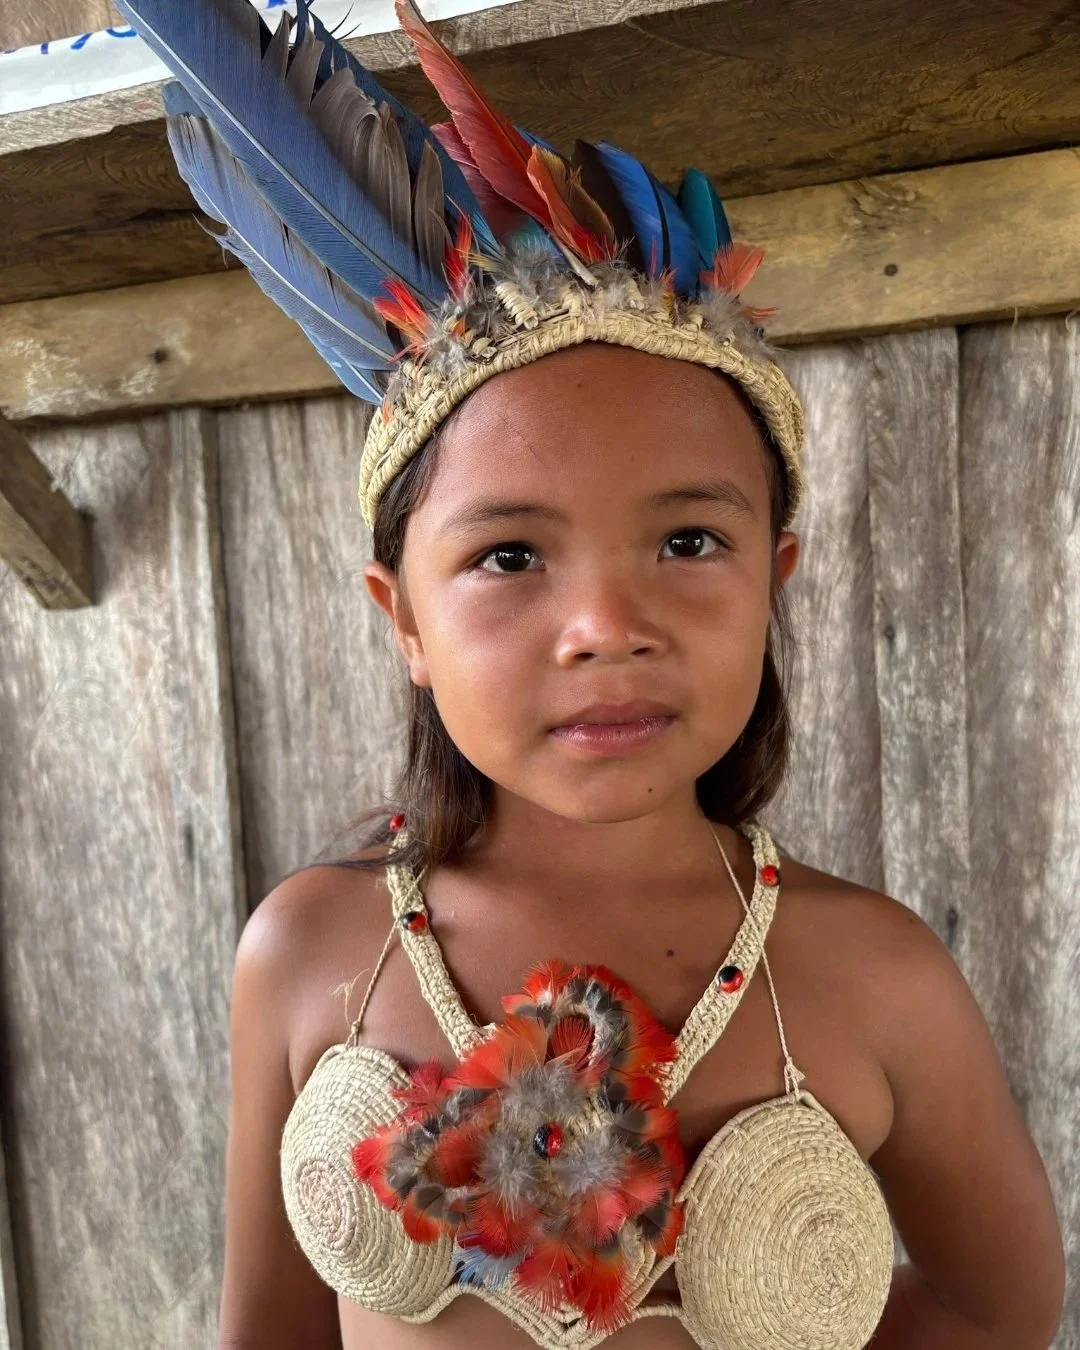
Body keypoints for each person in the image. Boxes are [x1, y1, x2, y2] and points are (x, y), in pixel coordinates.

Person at [111, 0, 1066, 1346]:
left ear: (775, 577)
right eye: (509, 556)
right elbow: (267, 1332)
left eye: (688, 541)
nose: (606, 625)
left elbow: (995, 1306)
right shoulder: (312, 955)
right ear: (404, 619)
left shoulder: (875, 976)